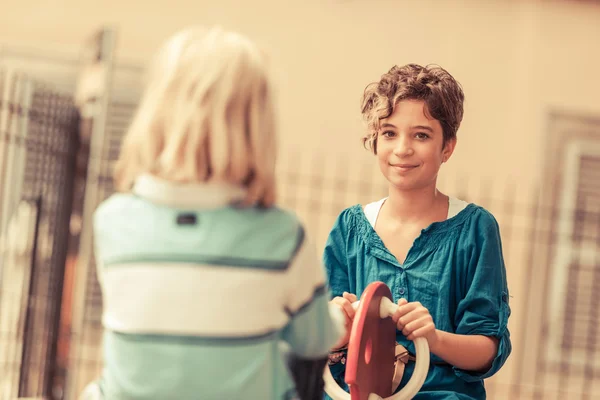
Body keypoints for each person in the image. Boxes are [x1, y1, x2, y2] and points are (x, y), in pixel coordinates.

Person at [82, 26, 344, 400]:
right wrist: (337, 317)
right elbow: (314, 339)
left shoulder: (112, 221)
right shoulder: (282, 234)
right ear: (258, 127)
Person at [324, 64, 512, 399]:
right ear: (375, 141)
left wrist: (433, 337)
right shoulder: (348, 229)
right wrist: (338, 329)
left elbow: (487, 349)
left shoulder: (475, 229)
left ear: (447, 147)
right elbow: (317, 342)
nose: (402, 149)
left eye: (421, 135)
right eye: (389, 133)